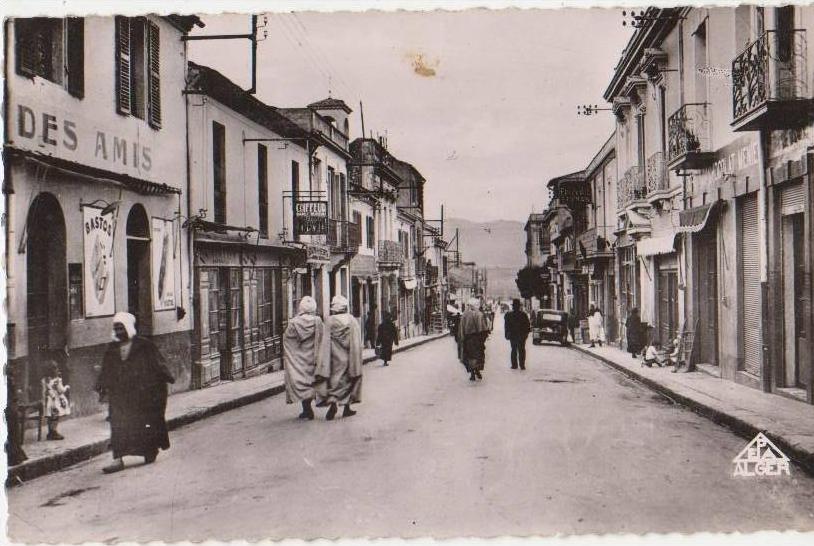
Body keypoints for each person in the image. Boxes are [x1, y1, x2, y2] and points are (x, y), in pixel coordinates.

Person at [96, 312, 175, 474]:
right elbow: (106, 370)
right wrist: (102, 387)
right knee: (118, 425)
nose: (118, 332)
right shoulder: (112, 348)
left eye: (121, 328)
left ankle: (149, 450)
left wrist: (166, 378)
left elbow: (158, 364)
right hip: (120, 396)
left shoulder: (144, 345)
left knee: (143, 424)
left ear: (129, 328)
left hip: (142, 395)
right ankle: (117, 459)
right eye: (116, 328)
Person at [316, 296, 363, 420]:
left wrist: (323, 360)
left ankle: (333, 405)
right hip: (348, 357)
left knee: (334, 382)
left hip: (334, 358)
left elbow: (324, 341)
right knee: (347, 382)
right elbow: (357, 341)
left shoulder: (330, 321)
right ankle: (346, 408)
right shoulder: (351, 320)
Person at [283, 296, 326, 420]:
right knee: (312, 383)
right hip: (313, 357)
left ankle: (306, 409)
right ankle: (309, 409)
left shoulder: (294, 323)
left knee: (302, 382)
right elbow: (323, 338)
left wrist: (294, 354)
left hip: (299, 359)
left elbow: (287, 340)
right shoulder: (317, 321)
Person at [458, 297, 491, 381]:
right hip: (477, 339)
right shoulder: (479, 314)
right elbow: (483, 328)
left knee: (470, 356)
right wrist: (483, 339)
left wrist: (462, 339)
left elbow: (461, 329)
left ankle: (473, 373)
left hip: (468, 339)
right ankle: (477, 371)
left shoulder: (464, 315)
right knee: (477, 355)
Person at [43, 360, 71, 440]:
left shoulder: (45, 380)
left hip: (49, 401)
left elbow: (45, 390)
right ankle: (54, 431)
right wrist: (66, 387)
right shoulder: (57, 380)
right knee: (55, 417)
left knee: (51, 417)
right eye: (55, 368)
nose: (58, 370)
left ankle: (50, 431)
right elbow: (61, 390)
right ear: (52, 370)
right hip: (56, 402)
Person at [504, 299, 531, 370]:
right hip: (521, 335)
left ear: (513, 307)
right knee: (521, 349)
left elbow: (506, 326)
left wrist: (506, 334)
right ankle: (522, 365)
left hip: (513, 335)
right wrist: (526, 334)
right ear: (519, 306)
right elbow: (528, 326)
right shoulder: (523, 315)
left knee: (514, 349)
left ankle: (514, 365)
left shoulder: (509, 315)